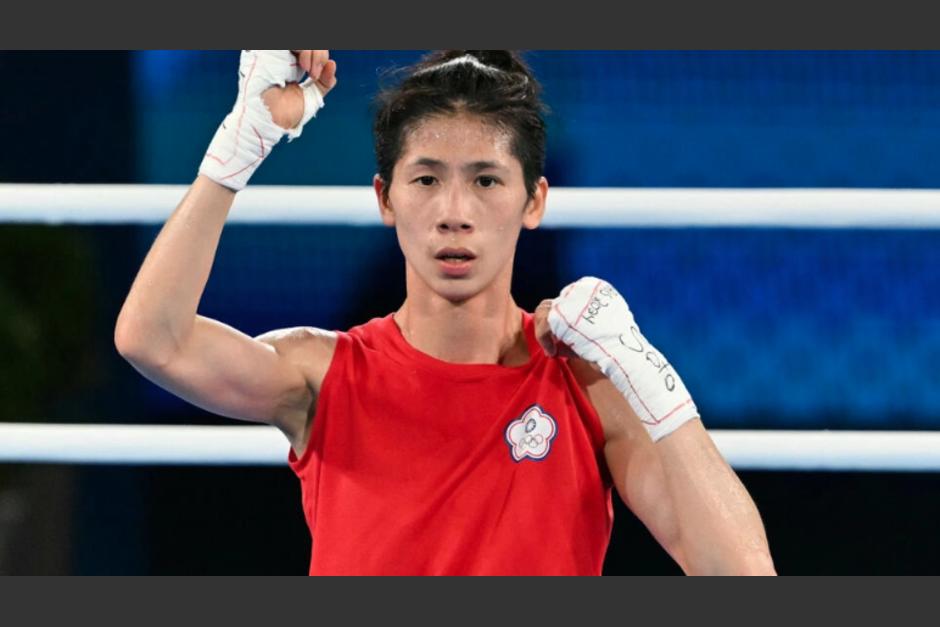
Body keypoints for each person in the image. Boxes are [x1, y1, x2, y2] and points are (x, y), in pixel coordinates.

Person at [115, 49, 776, 576]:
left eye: (486, 180)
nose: (454, 212)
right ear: (386, 197)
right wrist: (241, 143)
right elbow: (152, 339)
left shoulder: (588, 385)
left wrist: (643, 364)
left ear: (534, 199)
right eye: (427, 179)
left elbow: (741, 574)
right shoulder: (324, 372)